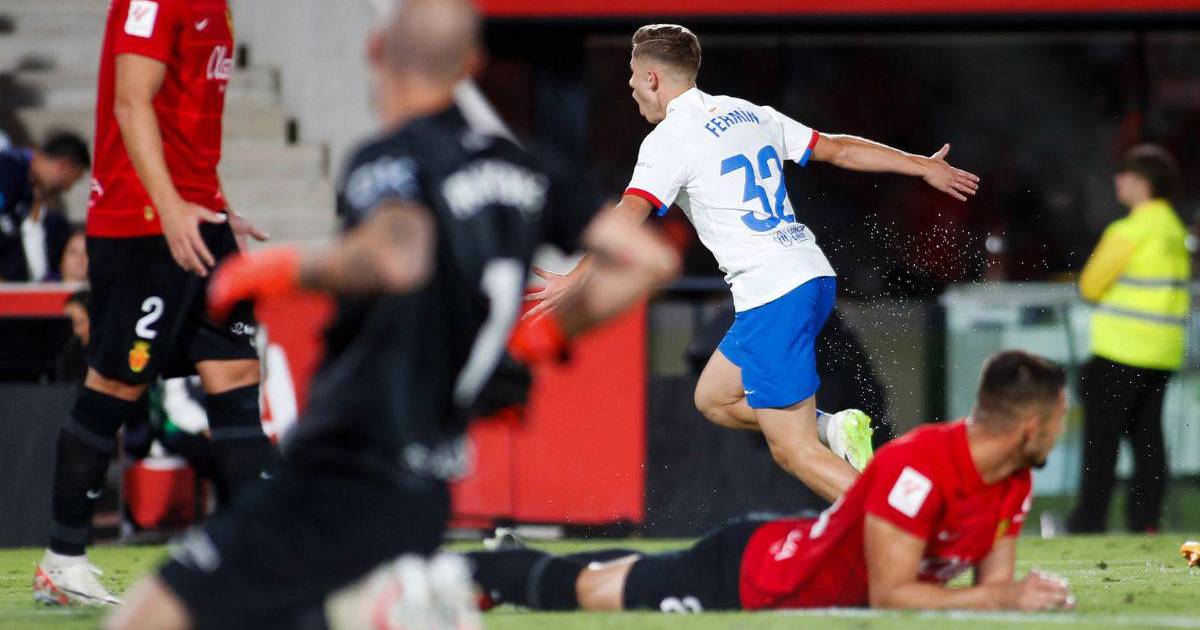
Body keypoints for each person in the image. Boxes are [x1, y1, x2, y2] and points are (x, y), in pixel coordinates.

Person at [104, 1, 679, 629]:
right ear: (472, 65)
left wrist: (281, 269)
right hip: (426, 490)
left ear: (375, 51)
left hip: (339, 468)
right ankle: (381, 604)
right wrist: (543, 334)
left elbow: (398, 256)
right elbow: (650, 261)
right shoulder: (527, 168)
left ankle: (387, 606)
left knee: (147, 618)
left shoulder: (390, 158)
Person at [528, 24, 981, 501]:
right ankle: (832, 428)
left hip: (773, 291)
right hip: (809, 274)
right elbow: (839, 149)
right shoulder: (748, 113)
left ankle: (908, 521)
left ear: (652, 78)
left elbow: (628, 216)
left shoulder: (669, 138)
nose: (629, 85)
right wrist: (921, 164)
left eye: (633, 75)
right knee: (713, 398)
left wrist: (576, 279)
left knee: (794, 451)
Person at [467, 350, 1073, 614]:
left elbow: (990, 593)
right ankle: (469, 573)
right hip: (753, 579)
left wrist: (1018, 596)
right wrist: (1004, 597)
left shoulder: (1012, 480)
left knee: (629, 570)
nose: (1064, 427)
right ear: (1030, 426)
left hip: (789, 548)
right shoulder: (920, 467)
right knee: (595, 592)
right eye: (1059, 417)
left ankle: (498, 565)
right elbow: (894, 595)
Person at [34, 0, 274, 606]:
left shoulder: (219, 9)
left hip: (199, 217)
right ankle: (62, 561)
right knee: (118, 382)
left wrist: (218, 206)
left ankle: (259, 563)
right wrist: (170, 208)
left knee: (237, 374)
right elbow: (130, 102)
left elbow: (189, 133)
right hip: (143, 224)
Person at [1066, 145, 1190, 534]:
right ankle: (1146, 521)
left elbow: (1090, 286)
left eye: (1125, 175)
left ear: (1142, 182)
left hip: (1120, 350)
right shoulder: (1175, 231)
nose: (1118, 181)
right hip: (1162, 351)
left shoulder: (1129, 231)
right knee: (1149, 440)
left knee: (1101, 443)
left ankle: (1089, 522)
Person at [0, 132, 89, 282]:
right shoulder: (8, 172)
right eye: (72, 179)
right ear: (64, 165)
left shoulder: (50, 219)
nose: (68, 188)